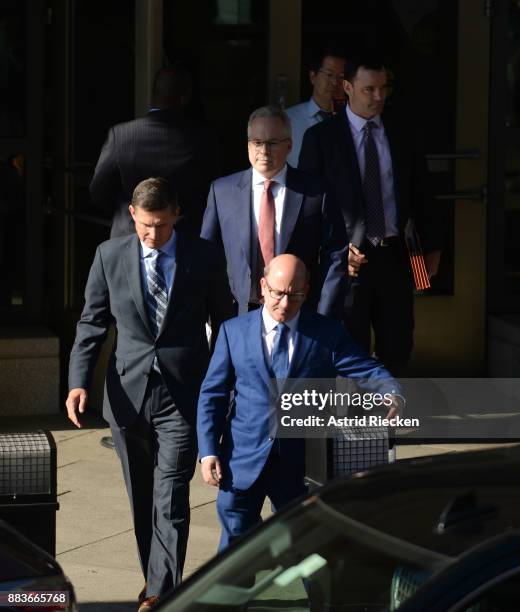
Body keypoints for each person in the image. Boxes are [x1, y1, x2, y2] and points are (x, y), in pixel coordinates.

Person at [65, 178, 234, 611]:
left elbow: (225, 323)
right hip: (127, 395)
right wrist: (78, 381)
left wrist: (219, 383)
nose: (152, 236)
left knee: (171, 495)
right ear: (133, 218)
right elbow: (92, 324)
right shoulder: (109, 256)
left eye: (160, 226)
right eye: (144, 227)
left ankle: (162, 590)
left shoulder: (204, 256)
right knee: (141, 495)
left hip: (183, 393)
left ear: (176, 215)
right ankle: (153, 577)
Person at [197, 254, 402, 550]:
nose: (283, 304)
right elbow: (212, 395)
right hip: (241, 460)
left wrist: (390, 392)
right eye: (277, 294)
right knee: (233, 554)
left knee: (306, 548)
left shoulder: (326, 334)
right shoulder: (233, 332)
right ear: (263, 286)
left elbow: (368, 370)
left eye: (293, 296)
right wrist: (207, 451)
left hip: (300, 464)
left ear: (306, 291)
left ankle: (317, 599)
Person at [299, 53, 442, 375]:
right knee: (350, 344)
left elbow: (422, 193)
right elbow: (309, 206)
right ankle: (354, 421)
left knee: (398, 342)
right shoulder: (322, 138)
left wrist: (433, 246)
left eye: (383, 88)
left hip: (396, 255)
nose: (378, 97)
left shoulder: (403, 132)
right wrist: (331, 249)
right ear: (347, 87)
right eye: (369, 89)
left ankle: (389, 416)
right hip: (348, 260)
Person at [201, 105, 347, 319]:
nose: (264, 150)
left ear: (289, 145)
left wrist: (322, 316)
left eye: (272, 143)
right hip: (237, 315)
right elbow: (206, 255)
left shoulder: (316, 192)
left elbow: (335, 256)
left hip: (298, 312)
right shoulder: (222, 191)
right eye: (257, 142)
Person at [90, 64, 218, 237]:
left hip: (130, 237)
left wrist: (129, 212)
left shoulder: (121, 136)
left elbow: (98, 191)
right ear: (185, 97)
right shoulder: (202, 139)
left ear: (154, 95)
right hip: (182, 241)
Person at [285, 49, 346, 167]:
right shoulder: (288, 119)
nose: (335, 82)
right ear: (313, 77)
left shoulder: (353, 120)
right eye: (329, 74)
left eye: (341, 77)